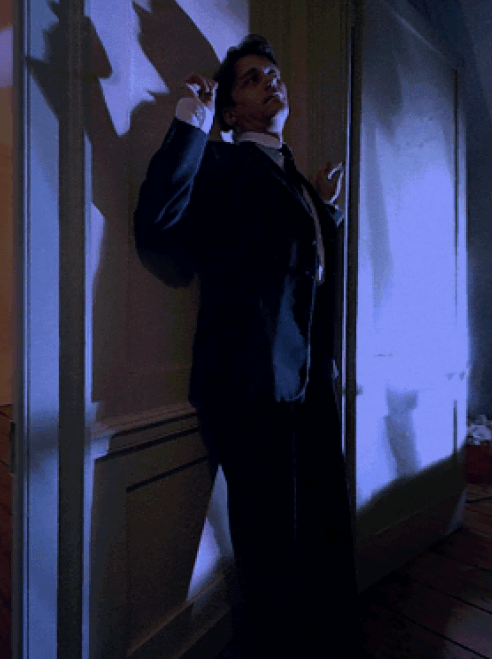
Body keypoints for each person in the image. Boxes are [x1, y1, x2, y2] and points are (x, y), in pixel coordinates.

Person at [134, 34, 359, 658]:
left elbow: (300, 266)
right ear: (231, 113)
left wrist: (325, 209)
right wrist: (192, 122)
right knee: (269, 537)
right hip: (248, 380)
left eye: (273, 74)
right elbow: (158, 223)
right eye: (252, 78)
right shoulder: (222, 162)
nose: (270, 82)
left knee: (319, 520)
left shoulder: (294, 179)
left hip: (308, 379)